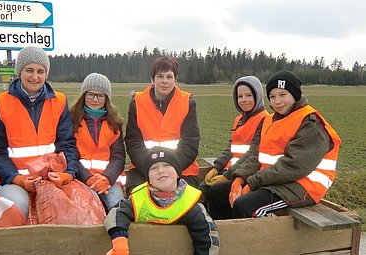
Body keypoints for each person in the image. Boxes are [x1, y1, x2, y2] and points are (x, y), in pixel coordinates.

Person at [206, 70, 341, 219]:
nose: (277, 101)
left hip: (301, 186)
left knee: (244, 205)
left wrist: (251, 184)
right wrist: (238, 180)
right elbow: (257, 155)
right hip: (274, 180)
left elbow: (293, 166)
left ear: (295, 95)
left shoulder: (310, 123)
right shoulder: (271, 120)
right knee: (217, 192)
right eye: (272, 96)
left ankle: (248, 241)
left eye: (283, 95)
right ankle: (222, 236)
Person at [104, 147, 220, 255]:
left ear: (178, 172)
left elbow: (208, 240)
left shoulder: (191, 205)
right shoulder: (139, 198)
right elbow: (117, 212)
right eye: (154, 168)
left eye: (167, 165)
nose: (161, 171)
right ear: (148, 178)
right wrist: (119, 240)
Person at [0, 46, 79, 219]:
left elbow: (68, 144)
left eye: (40, 71)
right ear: (20, 72)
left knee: (74, 206)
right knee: (19, 206)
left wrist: (68, 174)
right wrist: (16, 178)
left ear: (46, 74)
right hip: (13, 180)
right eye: (29, 70)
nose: (35, 77)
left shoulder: (59, 101)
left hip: (50, 178)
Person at [124, 56, 200, 194]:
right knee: (137, 197)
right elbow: (133, 142)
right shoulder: (137, 103)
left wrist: (170, 170)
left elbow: (190, 144)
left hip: (181, 169)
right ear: (152, 79)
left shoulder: (187, 103)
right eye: (160, 76)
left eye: (169, 77)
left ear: (175, 80)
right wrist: (151, 169)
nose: (165, 81)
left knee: (186, 202)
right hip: (143, 167)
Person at [200, 75, 269, 205]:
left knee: (216, 191)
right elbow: (231, 147)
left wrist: (227, 175)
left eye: (249, 95)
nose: (244, 100)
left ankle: (224, 224)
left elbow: (253, 154)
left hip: (247, 172)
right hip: (233, 169)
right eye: (240, 96)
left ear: (258, 96)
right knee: (204, 187)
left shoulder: (264, 120)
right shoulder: (239, 120)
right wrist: (216, 167)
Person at [69, 73, 126, 212]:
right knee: (90, 209)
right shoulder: (71, 121)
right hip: (81, 179)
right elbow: (70, 155)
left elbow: (118, 157)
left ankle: (118, 233)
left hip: (109, 181)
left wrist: (106, 179)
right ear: (84, 96)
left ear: (106, 98)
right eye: (90, 94)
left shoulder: (114, 124)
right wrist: (88, 179)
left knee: (118, 208)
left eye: (100, 95)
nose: (95, 99)